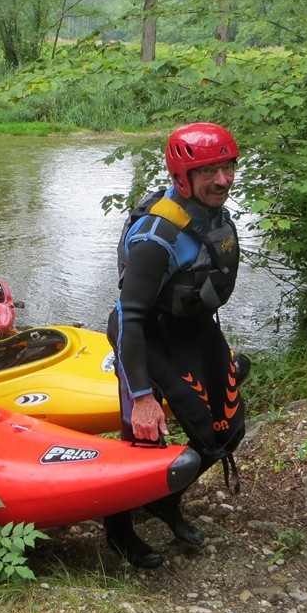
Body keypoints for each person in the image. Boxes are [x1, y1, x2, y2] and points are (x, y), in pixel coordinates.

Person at [104, 122, 247, 568]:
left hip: (192, 326)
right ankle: (119, 532)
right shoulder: (156, 236)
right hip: (145, 335)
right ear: (183, 177)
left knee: (225, 428)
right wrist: (143, 397)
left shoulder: (214, 214)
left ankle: (165, 501)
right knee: (141, 440)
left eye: (228, 168)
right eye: (209, 171)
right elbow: (130, 317)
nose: (222, 180)